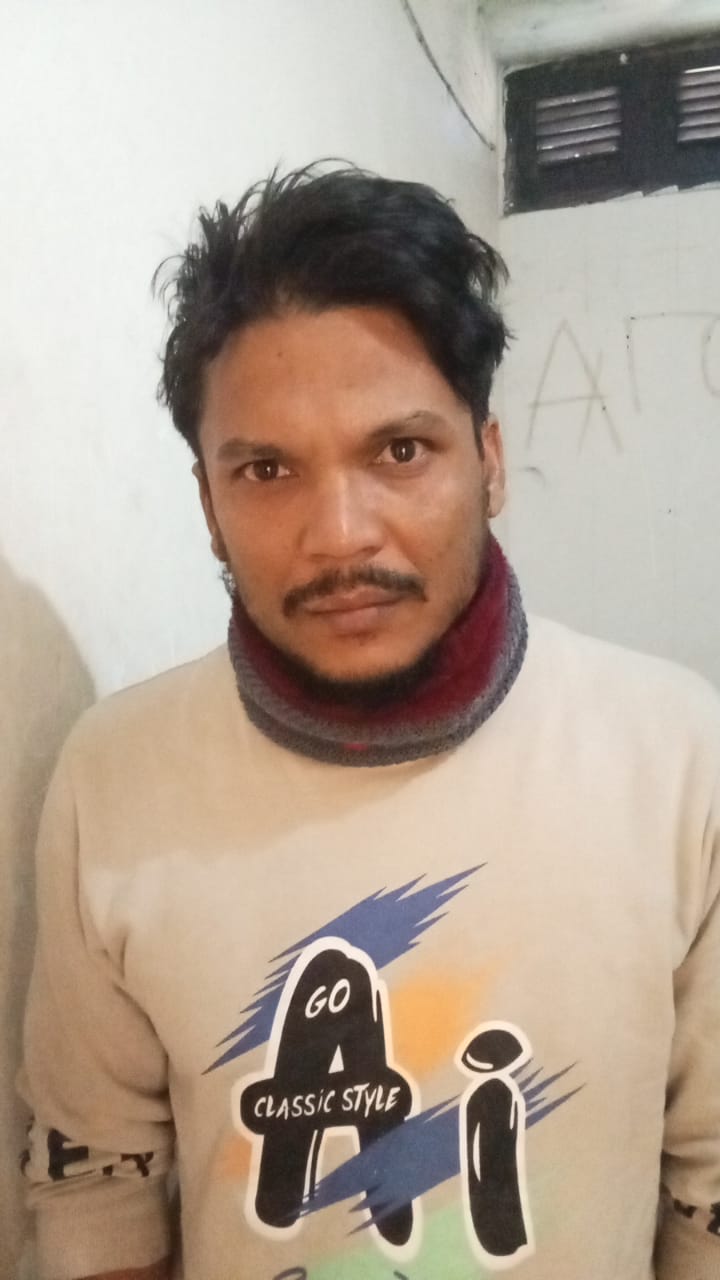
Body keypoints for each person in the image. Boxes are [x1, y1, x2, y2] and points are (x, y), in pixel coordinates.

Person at [18, 164, 720, 1280]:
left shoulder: (680, 760)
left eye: (399, 451)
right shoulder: (115, 776)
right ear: (208, 505)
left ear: (489, 461)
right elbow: (95, 1181)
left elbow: (709, 1190)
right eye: (268, 469)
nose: (340, 534)